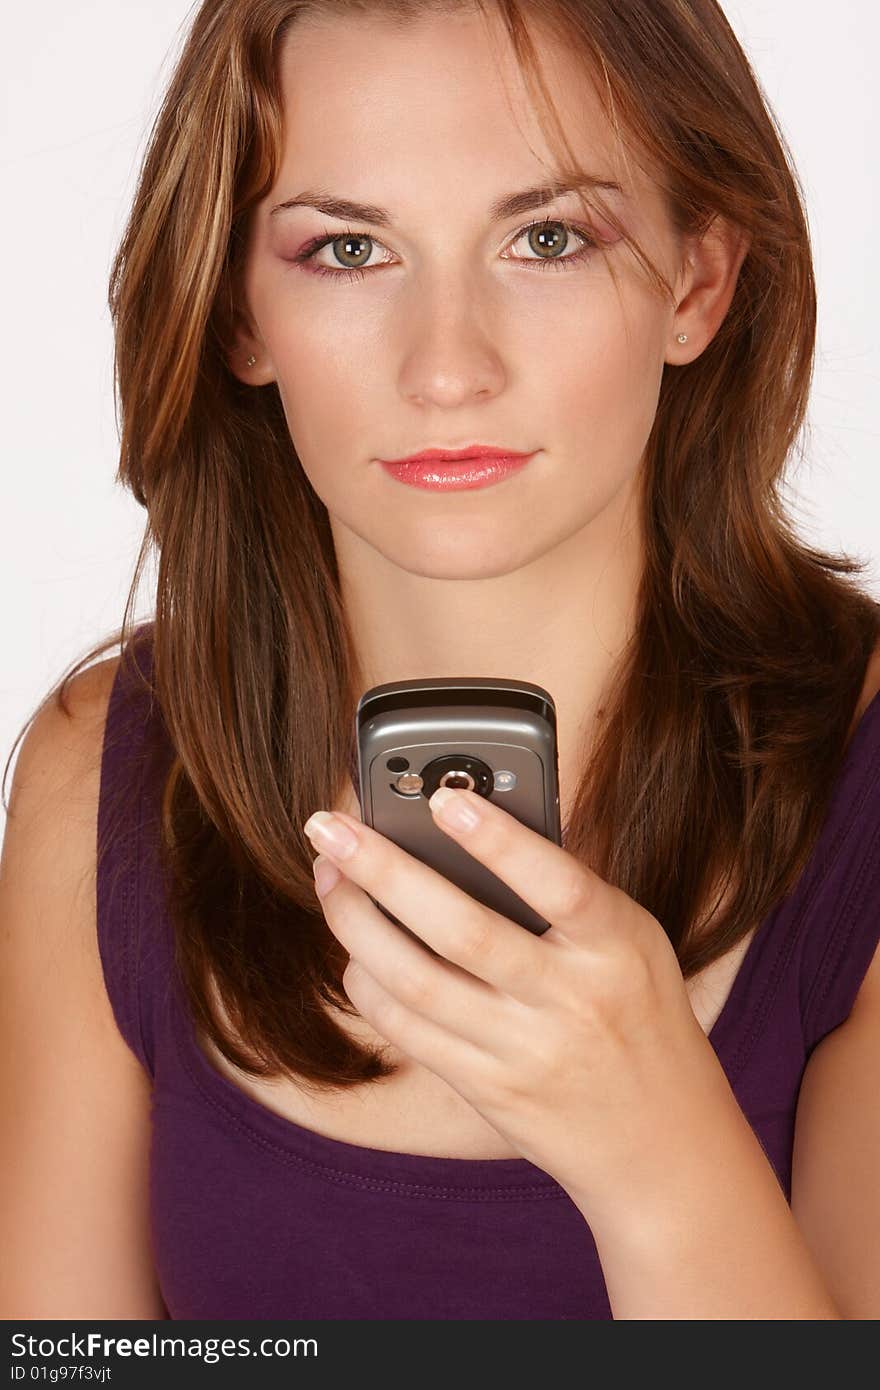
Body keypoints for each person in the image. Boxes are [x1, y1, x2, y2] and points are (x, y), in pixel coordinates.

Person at [2, 0, 879, 1321]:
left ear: (699, 281)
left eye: (548, 237)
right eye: (349, 249)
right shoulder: (104, 770)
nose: (446, 368)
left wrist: (656, 1147)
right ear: (239, 311)